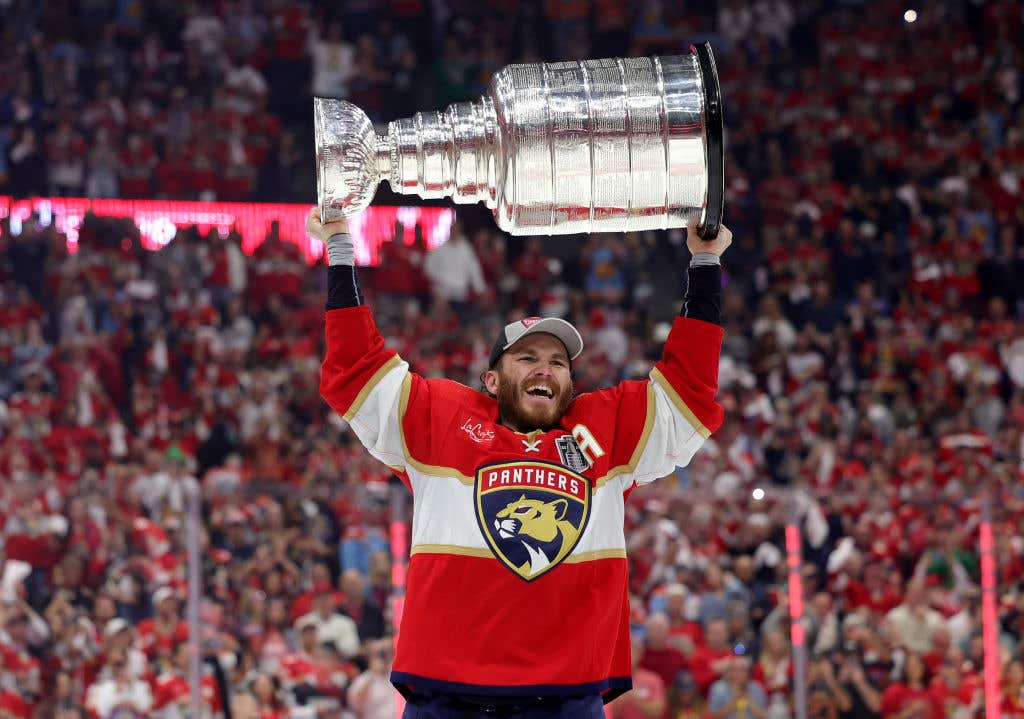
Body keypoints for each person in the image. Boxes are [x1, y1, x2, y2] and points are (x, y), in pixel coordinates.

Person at [309, 206, 731, 718]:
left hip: (564, 699)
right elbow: (357, 367)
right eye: (527, 358)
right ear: (492, 380)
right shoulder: (442, 421)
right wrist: (338, 246)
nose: (545, 370)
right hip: (446, 697)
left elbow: (688, 391)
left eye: (557, 362)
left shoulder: (604, 432)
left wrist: (705, 262)